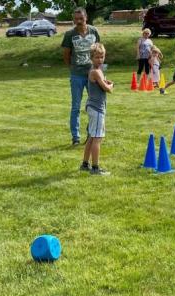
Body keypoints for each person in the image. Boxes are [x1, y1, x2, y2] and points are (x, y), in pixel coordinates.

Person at [61, 7, 100, 146]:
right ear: (73, 19)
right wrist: (71, 68)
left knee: (93, 105)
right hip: (77, 75)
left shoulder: (94, 31)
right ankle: (75, 137)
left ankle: (91, 133)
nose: (78, 21)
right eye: (76, 19)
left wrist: (99, 70)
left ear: (86, 18)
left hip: (92, 74)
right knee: (76, 107)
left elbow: (99, 50)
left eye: (81, 19)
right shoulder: (69, 34)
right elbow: (66, 54)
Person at [80, 43, 113, 176]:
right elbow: (107, 89)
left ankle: (84, 164)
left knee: (91, 137)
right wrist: (111, 85)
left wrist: (106, 81)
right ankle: (95, 168)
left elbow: (102, 82)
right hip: (96, 109)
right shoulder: (95, 71)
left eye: (102, 57)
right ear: (91, 58)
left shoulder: (98, 71)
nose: (100, 59)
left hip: (93, 107)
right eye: (97, 57)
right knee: (97, 138)